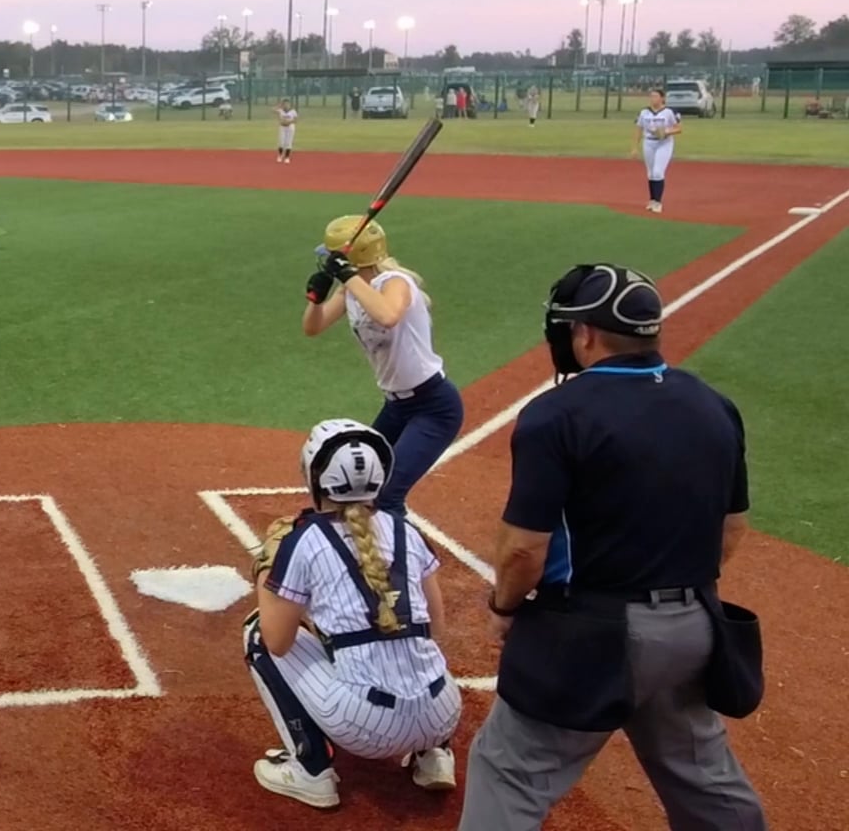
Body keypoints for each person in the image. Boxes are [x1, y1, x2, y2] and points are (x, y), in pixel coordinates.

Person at [459, 263, 765, 831]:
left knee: (509, 771)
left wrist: (504, 607)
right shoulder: (713, 404)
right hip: (696, 628)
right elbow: (732, 529)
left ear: (584, 334)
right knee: (705, 782)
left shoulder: (556, 414)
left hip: (592, 640)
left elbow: (524, 550)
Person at [245, 418, 462, 811]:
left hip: (366, 728)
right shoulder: (405, 531)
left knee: (257, 635)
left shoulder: (303, 541)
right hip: (443, 712)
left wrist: (267, 567)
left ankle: (311, 770)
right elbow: (437, 626)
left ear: (315, 478)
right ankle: (434, 755)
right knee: (412, 636)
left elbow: (278, 642)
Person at [301, 216, 464, 515]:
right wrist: (315, 299)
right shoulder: (350, 291)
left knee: (387, 495)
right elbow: (313, 327)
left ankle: (401, 546)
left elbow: (388, 315)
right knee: (363, 483)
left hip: (434, 406)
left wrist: (348, 276)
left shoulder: (395, 282)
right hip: (396, 407)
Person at [633, 87, 682, 213]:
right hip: (648, 143)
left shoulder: (669, 112)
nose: (652, 99)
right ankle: (652, 200)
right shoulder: (644, 112)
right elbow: (639, 129)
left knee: (658, 172)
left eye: (655, 96)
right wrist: (635, 147)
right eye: (651, 96)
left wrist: (666, 131)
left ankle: (658, 202)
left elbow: (678, 128)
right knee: (650, 173)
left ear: (662, 98)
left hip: (664, 143)